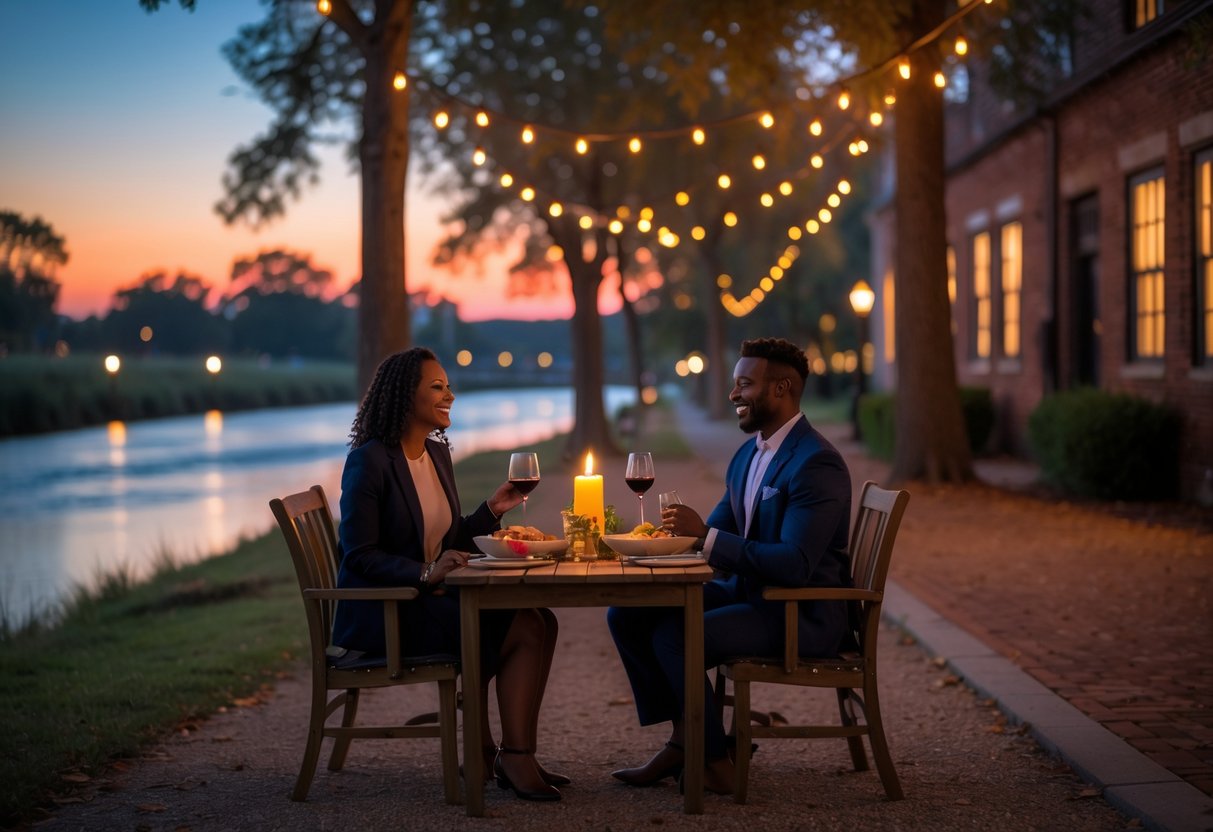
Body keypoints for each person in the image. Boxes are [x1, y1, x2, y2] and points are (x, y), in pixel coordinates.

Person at [607, 337, 853, 795]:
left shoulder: (816, 462)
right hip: (751, 595)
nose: (733, 394)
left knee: (675, 637)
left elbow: (795, 564)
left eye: (744, 384)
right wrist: (656, 542)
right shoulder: (748, 454)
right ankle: (686, 741)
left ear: (780, 389)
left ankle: (713, 760)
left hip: (798, 612)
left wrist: (706, 536)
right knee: (628, 612)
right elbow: (715, 531)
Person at [331, 346, 566, 802]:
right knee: (525, 623)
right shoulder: (370, 461)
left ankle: (492, 751)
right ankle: (510, 755)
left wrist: (491, 511)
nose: (449, 395)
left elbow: (447, 538)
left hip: (423, 600)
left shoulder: (435, 455)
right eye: (436, 387)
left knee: (540, 616)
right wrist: (425, 573)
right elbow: (359, 554)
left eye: (449, 386)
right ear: (405, 397)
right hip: (387, 614)